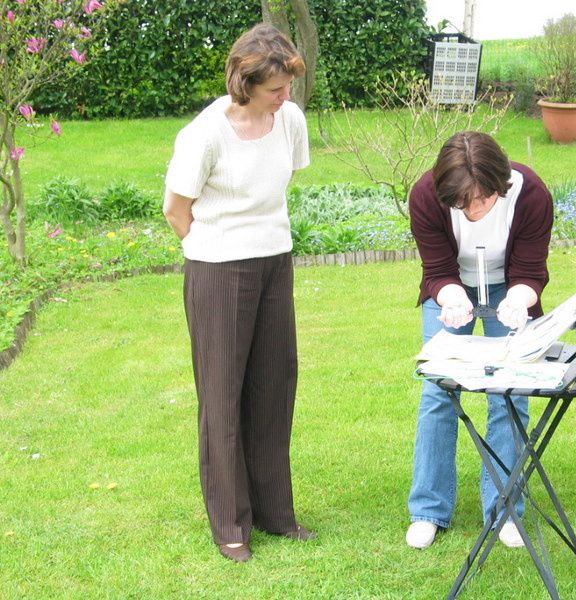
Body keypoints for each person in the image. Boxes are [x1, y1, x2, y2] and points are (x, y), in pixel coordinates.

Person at [163, 23, 315, 563]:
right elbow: (176, 211)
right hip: (217, 269)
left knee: (275, 387)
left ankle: (276, 513)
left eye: (288, 87)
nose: (285, 97)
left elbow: (278, 185)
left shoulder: (289, 120)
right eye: (276, 88)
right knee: (223, 397)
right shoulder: (204, 134)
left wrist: (258, 241)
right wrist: (217, 249)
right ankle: (231, 523)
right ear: (244, 82)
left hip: (275, 261)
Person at [406, 131, 554, 550]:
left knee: (508, 392)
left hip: (509, 285)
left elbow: (532, 271)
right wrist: (450, 297)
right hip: (452, 287)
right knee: (438, 391)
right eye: (460, 203)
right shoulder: (425, 195)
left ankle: (506, 509)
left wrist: (520, 300)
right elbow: (436, 269)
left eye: (482, 200)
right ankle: (428, 510)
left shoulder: (531, 195)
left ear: (499, 181)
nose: (472, 211)